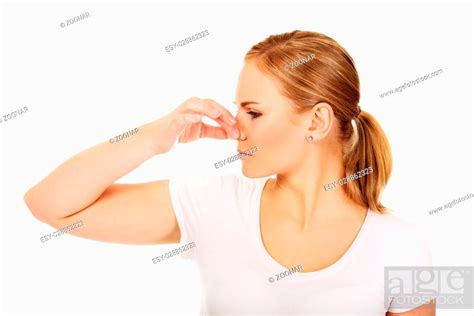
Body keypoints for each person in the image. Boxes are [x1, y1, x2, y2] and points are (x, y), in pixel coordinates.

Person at [25, 30, 435, 315]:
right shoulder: (210, 202)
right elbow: (49, 205)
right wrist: (153, 137)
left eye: (253, 112)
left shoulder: (404, 244)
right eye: (237, 109)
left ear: (317, 122)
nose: (236, 127)